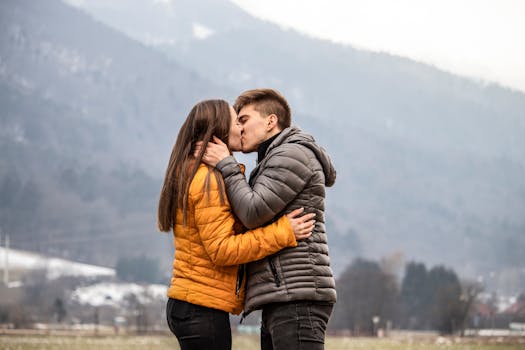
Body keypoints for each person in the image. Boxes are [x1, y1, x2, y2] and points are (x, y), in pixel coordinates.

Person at [157, 99, 316, 350]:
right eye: (236, 122)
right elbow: (222, 250)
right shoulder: (207, 179)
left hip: (194, 303)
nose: (241, 129)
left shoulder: (194, 172)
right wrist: (283, 232)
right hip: (201, 307)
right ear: (219, 130)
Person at [201, 89, 337, 350]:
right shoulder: (273, 159)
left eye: (244, 119)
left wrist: (227, 164)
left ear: (270, 121)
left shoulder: (291, 155)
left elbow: (253, 212)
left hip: (297, 295)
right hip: (284, 293)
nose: (238, 128)